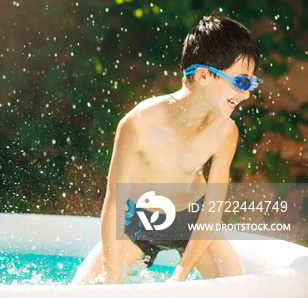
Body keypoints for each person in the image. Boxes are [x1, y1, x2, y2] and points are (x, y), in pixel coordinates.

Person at [73, 14, 260, 284]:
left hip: (193, 220)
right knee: (82, 290)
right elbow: (113, 203)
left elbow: (212, 209)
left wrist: (180, 276)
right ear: (204, 75)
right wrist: (112, 278)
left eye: (251, 83)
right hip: (138, 222)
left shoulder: (225, 131)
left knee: (240, 288)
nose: (247, 94)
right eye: (241, 82)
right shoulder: (138, 125)